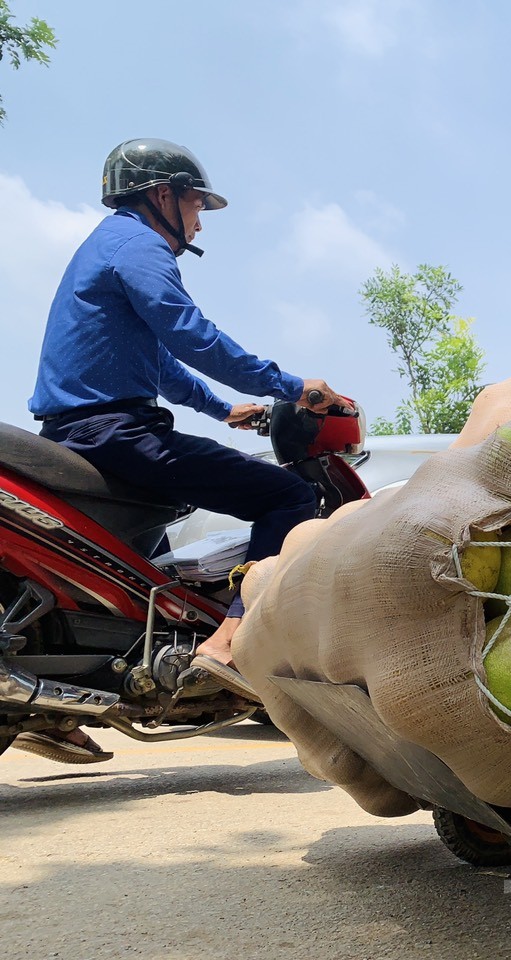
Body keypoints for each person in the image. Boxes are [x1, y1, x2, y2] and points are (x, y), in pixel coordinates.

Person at [15, 138, 344, 766]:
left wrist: (223, 409)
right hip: (115, 432)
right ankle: (227, 641)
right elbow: (189, 333)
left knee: (152, 557)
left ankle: (58, 703)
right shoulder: (136, 245)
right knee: (288, 494)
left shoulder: (106, 245)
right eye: (196, 205)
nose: (198, 221)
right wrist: (289, 385)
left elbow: (159, 361)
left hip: (80, 429)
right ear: (161, 195)